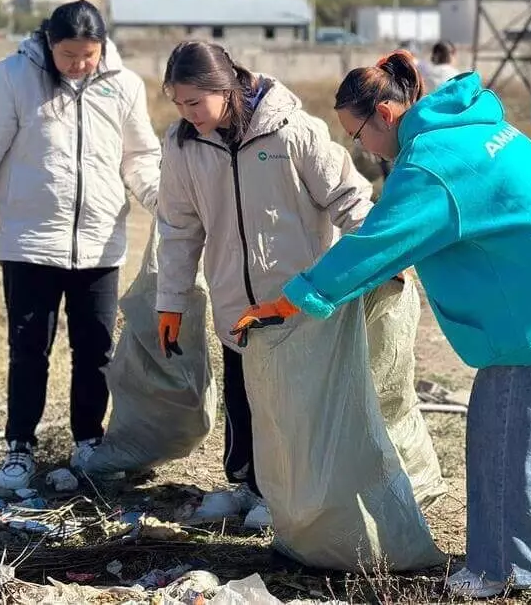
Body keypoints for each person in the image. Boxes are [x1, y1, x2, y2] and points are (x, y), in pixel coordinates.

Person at [230, 52, 531, 598]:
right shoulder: (465, 123)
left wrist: (294, 299)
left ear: (387, 114)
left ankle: (505, 567)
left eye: (358, 134)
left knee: (503, 431)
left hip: (530, 292)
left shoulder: (429, 163)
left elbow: (377, 243)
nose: (360, 148)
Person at [0, 0, 161, 495]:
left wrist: (164, 201)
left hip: (101, 244)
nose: (80, 65)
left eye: (89, 54)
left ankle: (88, 441)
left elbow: (141, 157)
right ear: (48, 44)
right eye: (69, 55)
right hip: (30, 244)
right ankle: (19, 446)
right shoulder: (14, 77)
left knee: (96, 350)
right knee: (29, 350)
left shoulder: (123, 85)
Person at [155, 40, 374, 527]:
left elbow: (348, 197)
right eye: (178, 103)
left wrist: (380, 255)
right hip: (236, 301)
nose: (187, 113)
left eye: (195, 102)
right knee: (243, 396)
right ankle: (251, 487)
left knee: (296, 407)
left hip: (295, 299)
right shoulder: (183, 146)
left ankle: (292, 495)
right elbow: (178, 228)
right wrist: (170, 300)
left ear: (225, 88)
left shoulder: (291, 132)